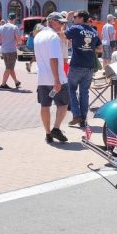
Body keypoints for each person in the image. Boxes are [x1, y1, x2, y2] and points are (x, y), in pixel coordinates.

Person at [35, 13, 70, 143]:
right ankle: (55, 128)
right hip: (57, 78)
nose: (62, 25)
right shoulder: (53, 37)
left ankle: (48, 134)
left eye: (63, 23)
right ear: (51, 22)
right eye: (60, 23)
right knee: (63, 104)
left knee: (45, 105)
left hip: (42, 79)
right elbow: (53, 59)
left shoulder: (38, 36)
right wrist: (56, 79)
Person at [65, 10, 100, 127]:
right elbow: (99, 49)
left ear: (80, 18)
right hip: (89, 66)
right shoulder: (94, 31)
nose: (74, 19)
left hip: (76, 65)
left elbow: (62, 34)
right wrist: (89, 49)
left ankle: (76, 115)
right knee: (84, 92)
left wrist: (66, 18)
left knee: (71, 89)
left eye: (75, 17)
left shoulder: (75, 28)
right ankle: (83, 119)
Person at [0, 13, 21, 89]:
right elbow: (18, 40)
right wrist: (18, 42)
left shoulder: (1, 28)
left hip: (4, 50)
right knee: (8, 68)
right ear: (14, 19)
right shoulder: (15, 27)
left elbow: (0, 40)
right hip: (11, 50)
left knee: (10, 67)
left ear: (8, 19)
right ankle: (3, 84)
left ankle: (16, 82)